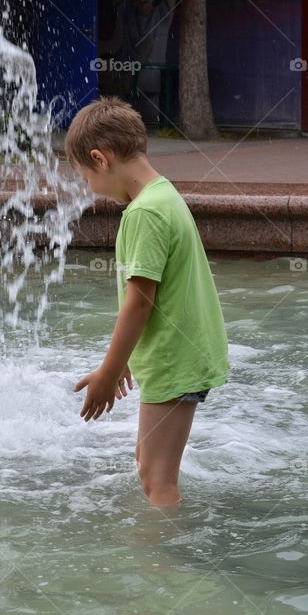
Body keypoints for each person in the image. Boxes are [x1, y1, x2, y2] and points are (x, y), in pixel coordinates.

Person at [65, 98, 228, 508]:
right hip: (183, 353)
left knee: (157, 479)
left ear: (100, 159)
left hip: (176, 359)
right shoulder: (163, 194)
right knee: (150, 463)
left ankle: (162, 564)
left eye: (86, 178)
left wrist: (110, 370)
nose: (90, 190)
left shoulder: (144, 214)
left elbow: (140, 303)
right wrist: (126, 360)